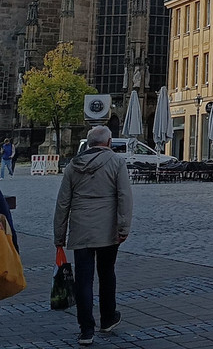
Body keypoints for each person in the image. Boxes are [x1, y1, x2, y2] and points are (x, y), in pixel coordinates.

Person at [53, 125, 132, 345]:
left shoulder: (73, 166)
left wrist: (59, 234)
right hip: (108, 229)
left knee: (83, 280)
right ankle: (107, 318)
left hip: (80, 228)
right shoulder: (117, 162)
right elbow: (124, 196)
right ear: (108, 143)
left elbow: (62, 203)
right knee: (107, 273)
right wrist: (123, 227)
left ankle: (86, 330)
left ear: (89, 144)